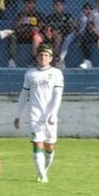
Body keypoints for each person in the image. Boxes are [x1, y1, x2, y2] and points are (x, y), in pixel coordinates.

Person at [14, 45, 64, 183]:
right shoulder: (30, 73)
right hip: (34, 114)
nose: (43, 58)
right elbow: (24, 94)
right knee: (37, 143)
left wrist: (53, 113)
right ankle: (42, 175)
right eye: (41, 55)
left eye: (46, 56)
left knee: (50, 146)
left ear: (51, 58)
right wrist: (17, 114)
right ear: (37, 57)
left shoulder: (56, 73)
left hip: (49, 116)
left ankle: (45, 170)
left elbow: (57, 95)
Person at [6, 0, 45, 68]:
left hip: (32, 35)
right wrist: (22, 17)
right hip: (22, 34)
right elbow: (14, 27)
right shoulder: (20, 14)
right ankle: (12, 60)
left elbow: (39, 27)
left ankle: (35, 60)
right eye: (26, 3)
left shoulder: (39, 14)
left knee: (36, 35)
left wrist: (33, 29)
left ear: (34, 4)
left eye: (30, 3)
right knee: (12, 36)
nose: (28, 5)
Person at [44, 0, 77, 69]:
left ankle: (57, 59)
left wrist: (61, 30)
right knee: (56, 36)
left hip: (65, 35)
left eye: (60, 5)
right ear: (53, 6)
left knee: (59, 36)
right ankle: (56, 59)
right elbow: (46, 28)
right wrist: (51, 32)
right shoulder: (50, 17)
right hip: (53, 35)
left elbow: (72, 28)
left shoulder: (68, 16)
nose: (58, 7)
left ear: (64, 6)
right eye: (56, 5)